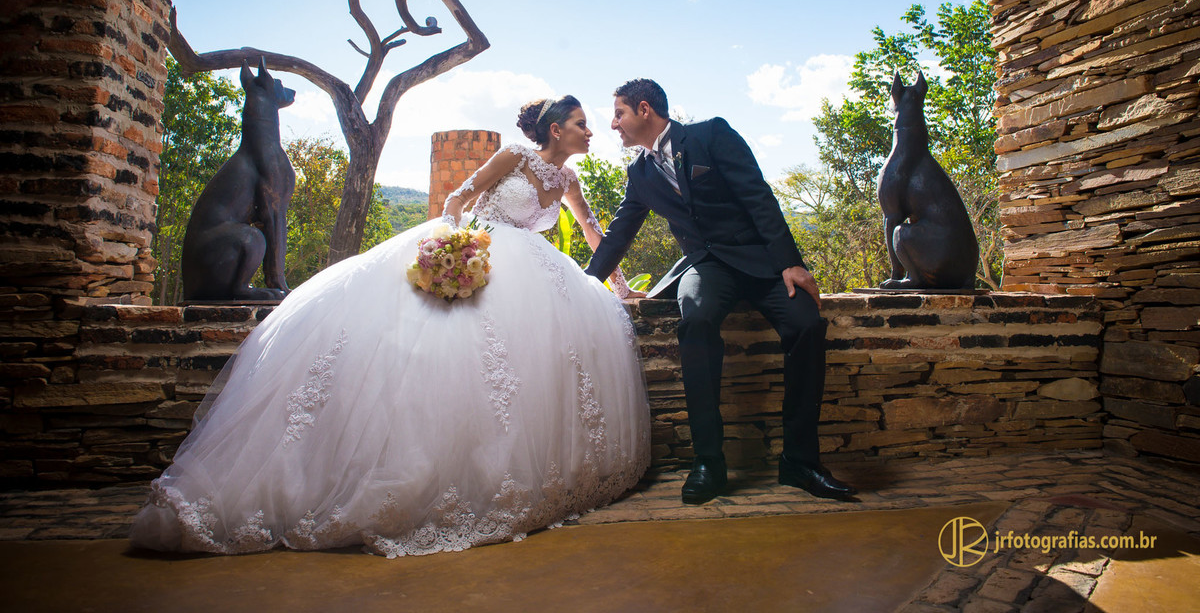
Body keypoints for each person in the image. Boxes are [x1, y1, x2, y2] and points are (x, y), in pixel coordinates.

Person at [129, 95, 650, 557]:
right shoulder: (514, 155)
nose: (591, 132)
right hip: (478, 251)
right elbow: (457, 199)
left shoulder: (570, 180)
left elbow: (594, 233)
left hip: (534, 276)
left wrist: (621, 287)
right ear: (556, 129)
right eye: (581, 123)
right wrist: (455, 247)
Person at [585, 79, 855, 505]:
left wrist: (790, 262)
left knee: (806, 325)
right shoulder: (639, 174)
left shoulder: (711, 134)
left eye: (618, 113)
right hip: (706, 269)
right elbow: (619, 235)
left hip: (761, 263)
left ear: (644, 109)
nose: (613, 124)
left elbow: (758, 196)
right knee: (695, 320)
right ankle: (708, 462)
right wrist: (585, 284)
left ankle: (800, 461)